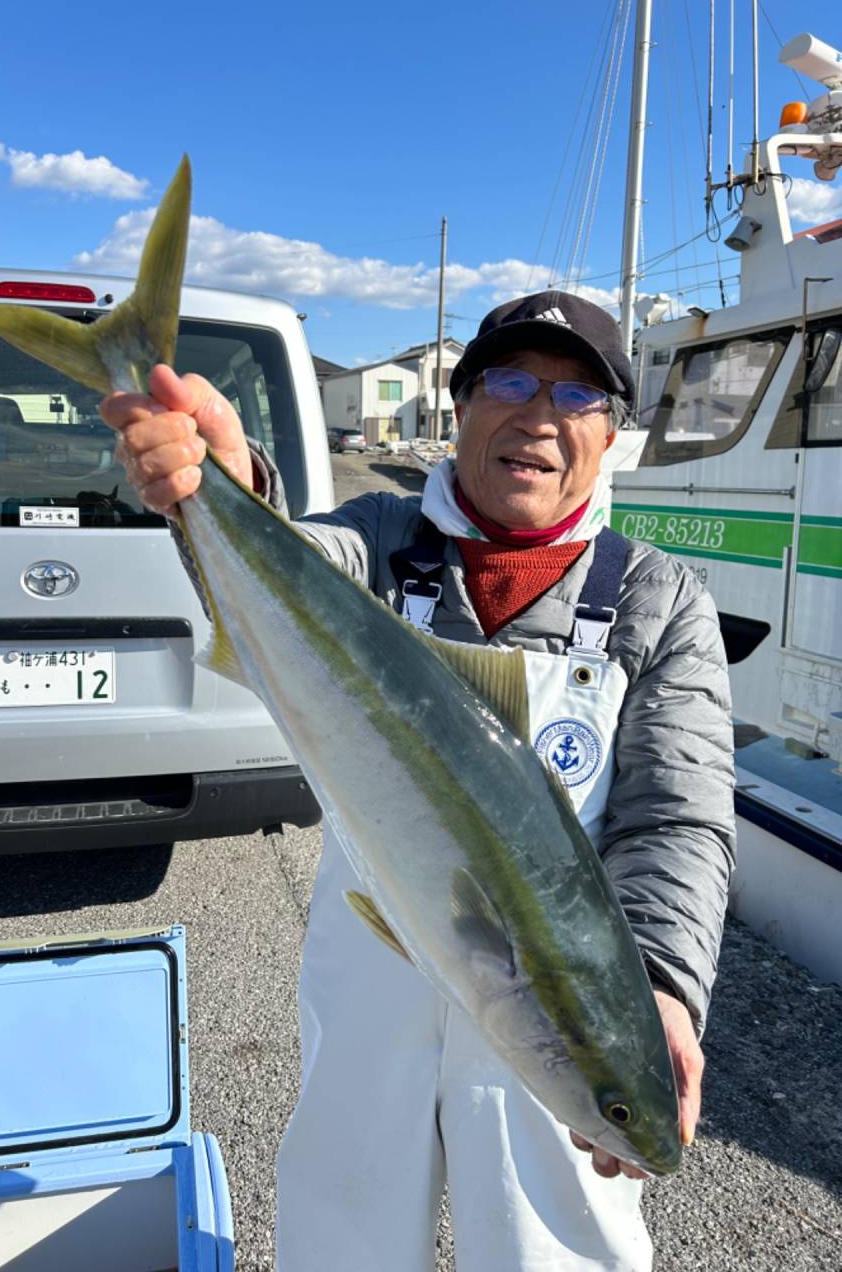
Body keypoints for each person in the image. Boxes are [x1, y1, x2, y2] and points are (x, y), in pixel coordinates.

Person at [101, 291, 735, 1272]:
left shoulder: (660, 598)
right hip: (372, 967)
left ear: (612, 434)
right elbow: (293, 560)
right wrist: (226, 491)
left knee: (554, 1250)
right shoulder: (380, 541)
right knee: (341, 1228)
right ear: (464, 403)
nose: (539, 415)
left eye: (577, 394)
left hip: (558, 996)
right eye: (512, 381)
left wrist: (657, 980)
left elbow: (679, 816)